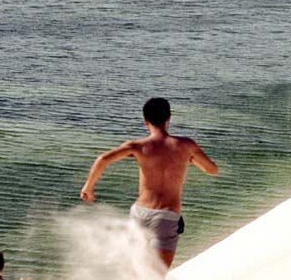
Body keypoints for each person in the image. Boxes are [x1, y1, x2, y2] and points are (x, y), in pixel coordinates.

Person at [81, 97, 218, 270]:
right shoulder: (185, 145)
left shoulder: (138, 146)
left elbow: (103, 159)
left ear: (145, 121)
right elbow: (212, 169)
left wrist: (88, 186)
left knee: (138, 270)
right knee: (157, 274)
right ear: (169, 118)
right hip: (166, 217)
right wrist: (190, 159)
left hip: (139, 213)